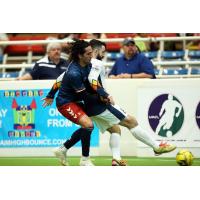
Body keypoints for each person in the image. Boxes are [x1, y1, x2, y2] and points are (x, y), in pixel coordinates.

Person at [43, 40, 177, 166]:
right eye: (101, 51)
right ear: (89, 53)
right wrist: (104, 96)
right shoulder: (93, 64)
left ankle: (114, 159)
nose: (102, 54)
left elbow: (61, 79)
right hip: (92, 102)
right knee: (130, 121)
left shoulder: (83, 64)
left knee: (114, 129)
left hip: (87, 101)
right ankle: (156, 147)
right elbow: (90, 84)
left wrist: (50, 95)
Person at [43, 40, 104, 166]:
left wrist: (50, 94)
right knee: (88, 125)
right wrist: (101, 98)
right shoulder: (73, 72)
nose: (91, 56)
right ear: (80, 55)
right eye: (88, 53)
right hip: (65, 103)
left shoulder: (87, 64)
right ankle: (85, 160)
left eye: (91, 52)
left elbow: (60, 79)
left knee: (87, 126)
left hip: (76, 101)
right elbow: (84, 96)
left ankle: (63, 149)